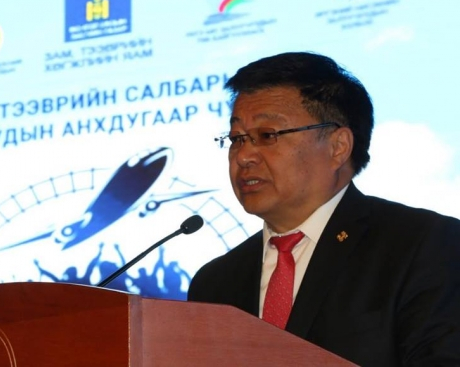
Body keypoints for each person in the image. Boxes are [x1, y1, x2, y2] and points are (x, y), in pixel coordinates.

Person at [187, 52, 460, 366]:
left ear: (338, 147)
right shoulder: (215, 282)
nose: (243, 155)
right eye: (236, 138)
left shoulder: (424, 245)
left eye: (267, 135)